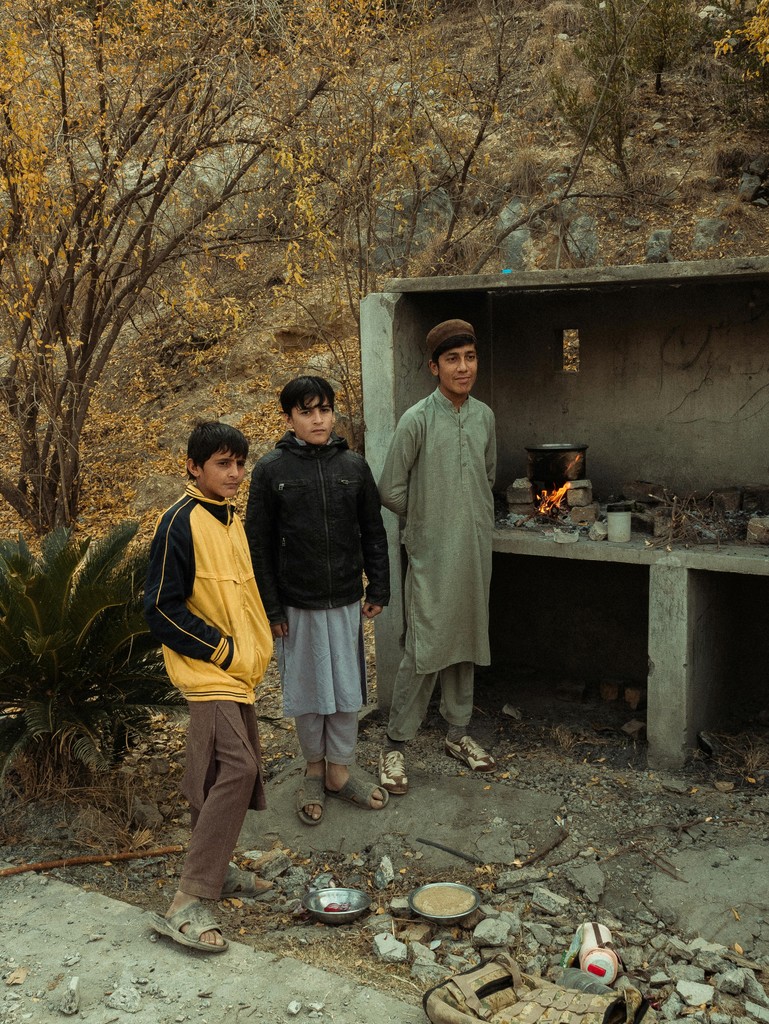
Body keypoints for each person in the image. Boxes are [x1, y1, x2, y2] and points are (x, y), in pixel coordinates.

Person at [144, 421, 274, 953]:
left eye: (240, 463)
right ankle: (187, 901)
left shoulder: (229, 520)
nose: (235, 473)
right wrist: (220, 649)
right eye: (223, 464)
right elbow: (158, 607)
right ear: (194, 467)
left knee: (222, 770)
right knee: (239, 769)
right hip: (209, 672)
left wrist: (249, 652)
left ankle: (216, 871)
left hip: (238, 673)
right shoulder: (179, 521)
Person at [245, 376, 391, 825]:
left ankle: (340, 772)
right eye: (307, 411)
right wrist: (271, 608)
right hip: (296, 605)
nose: (318, 419)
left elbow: (374, 531)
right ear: (289, 417)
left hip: (346, 599)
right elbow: (259, 545)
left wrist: (378, 588)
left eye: (324, 409)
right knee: (308, 692)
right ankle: (313, 769)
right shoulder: (272, 470)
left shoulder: (354, 466)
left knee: (348, 691)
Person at [377, 319, 497, 796]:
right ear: (434, 367)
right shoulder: (417, 419)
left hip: (473, 546)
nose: (463, 367)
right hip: (430, 549)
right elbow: (390, 489)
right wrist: (425, 518)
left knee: (466, 635)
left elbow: (488, 475)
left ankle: (457, 733)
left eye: (469, 357)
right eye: (453, 359)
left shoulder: (485, 416)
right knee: (425, 644)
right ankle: (394, 744)